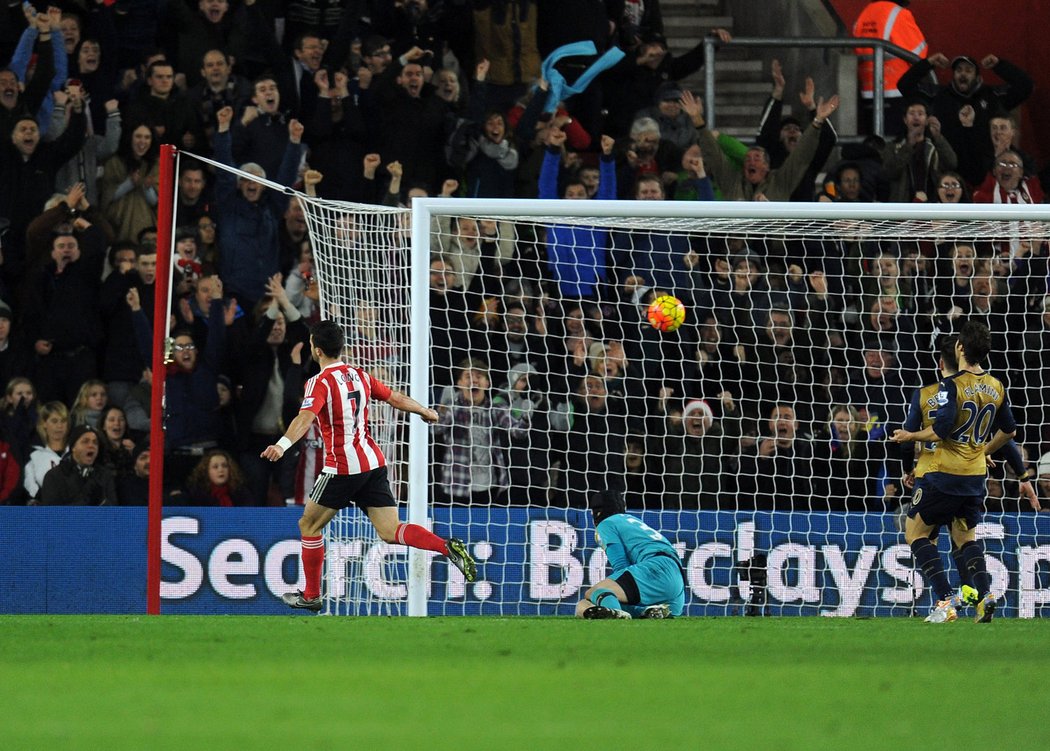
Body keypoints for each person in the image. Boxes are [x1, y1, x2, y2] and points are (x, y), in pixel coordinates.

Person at [261, 320, 477, 612]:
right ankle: (444, 546)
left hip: (342, 467)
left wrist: (282, 445)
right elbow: (395, 397)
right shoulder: (359, 375)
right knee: (390, 530)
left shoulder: (319, 382)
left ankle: (311, 595)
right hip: (373, 463)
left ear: (317, 349)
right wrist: (425, 411)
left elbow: (305, 419)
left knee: (308, 525)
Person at [890, 321, 1039, 623]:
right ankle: (984, 597)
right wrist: (986, 452)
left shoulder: (940, 389)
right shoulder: (996, 386)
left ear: (958, 350)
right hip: (975, 477)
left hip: (940, 473)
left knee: (915, 533)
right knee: (965, 538)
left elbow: (940, 431)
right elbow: (1009, 432)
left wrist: (910, 438)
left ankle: (945, 601)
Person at [575, 490, 685, 619]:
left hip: (654, 569)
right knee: (586, 606)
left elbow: (620, 564)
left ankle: (615, 614)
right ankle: (646, 611)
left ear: (597, 512)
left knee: (592, 593)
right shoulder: (632, 520)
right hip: (677, 579)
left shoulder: (606, 524)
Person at [852, 0, 926, 135]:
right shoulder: (898, 14)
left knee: (874, 145)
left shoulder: (864, 13)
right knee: (895, 146)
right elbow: (918, 54)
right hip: (897, 93)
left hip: (867, 93)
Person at [36, 424, 117, 506]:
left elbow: (114, 516)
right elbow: (53, 516)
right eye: (85, 441)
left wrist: (102, 502)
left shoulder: (105, 475)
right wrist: (86, 501)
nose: (91, 445)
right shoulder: (54, 476)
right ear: (73, 447)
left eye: (95, 442)